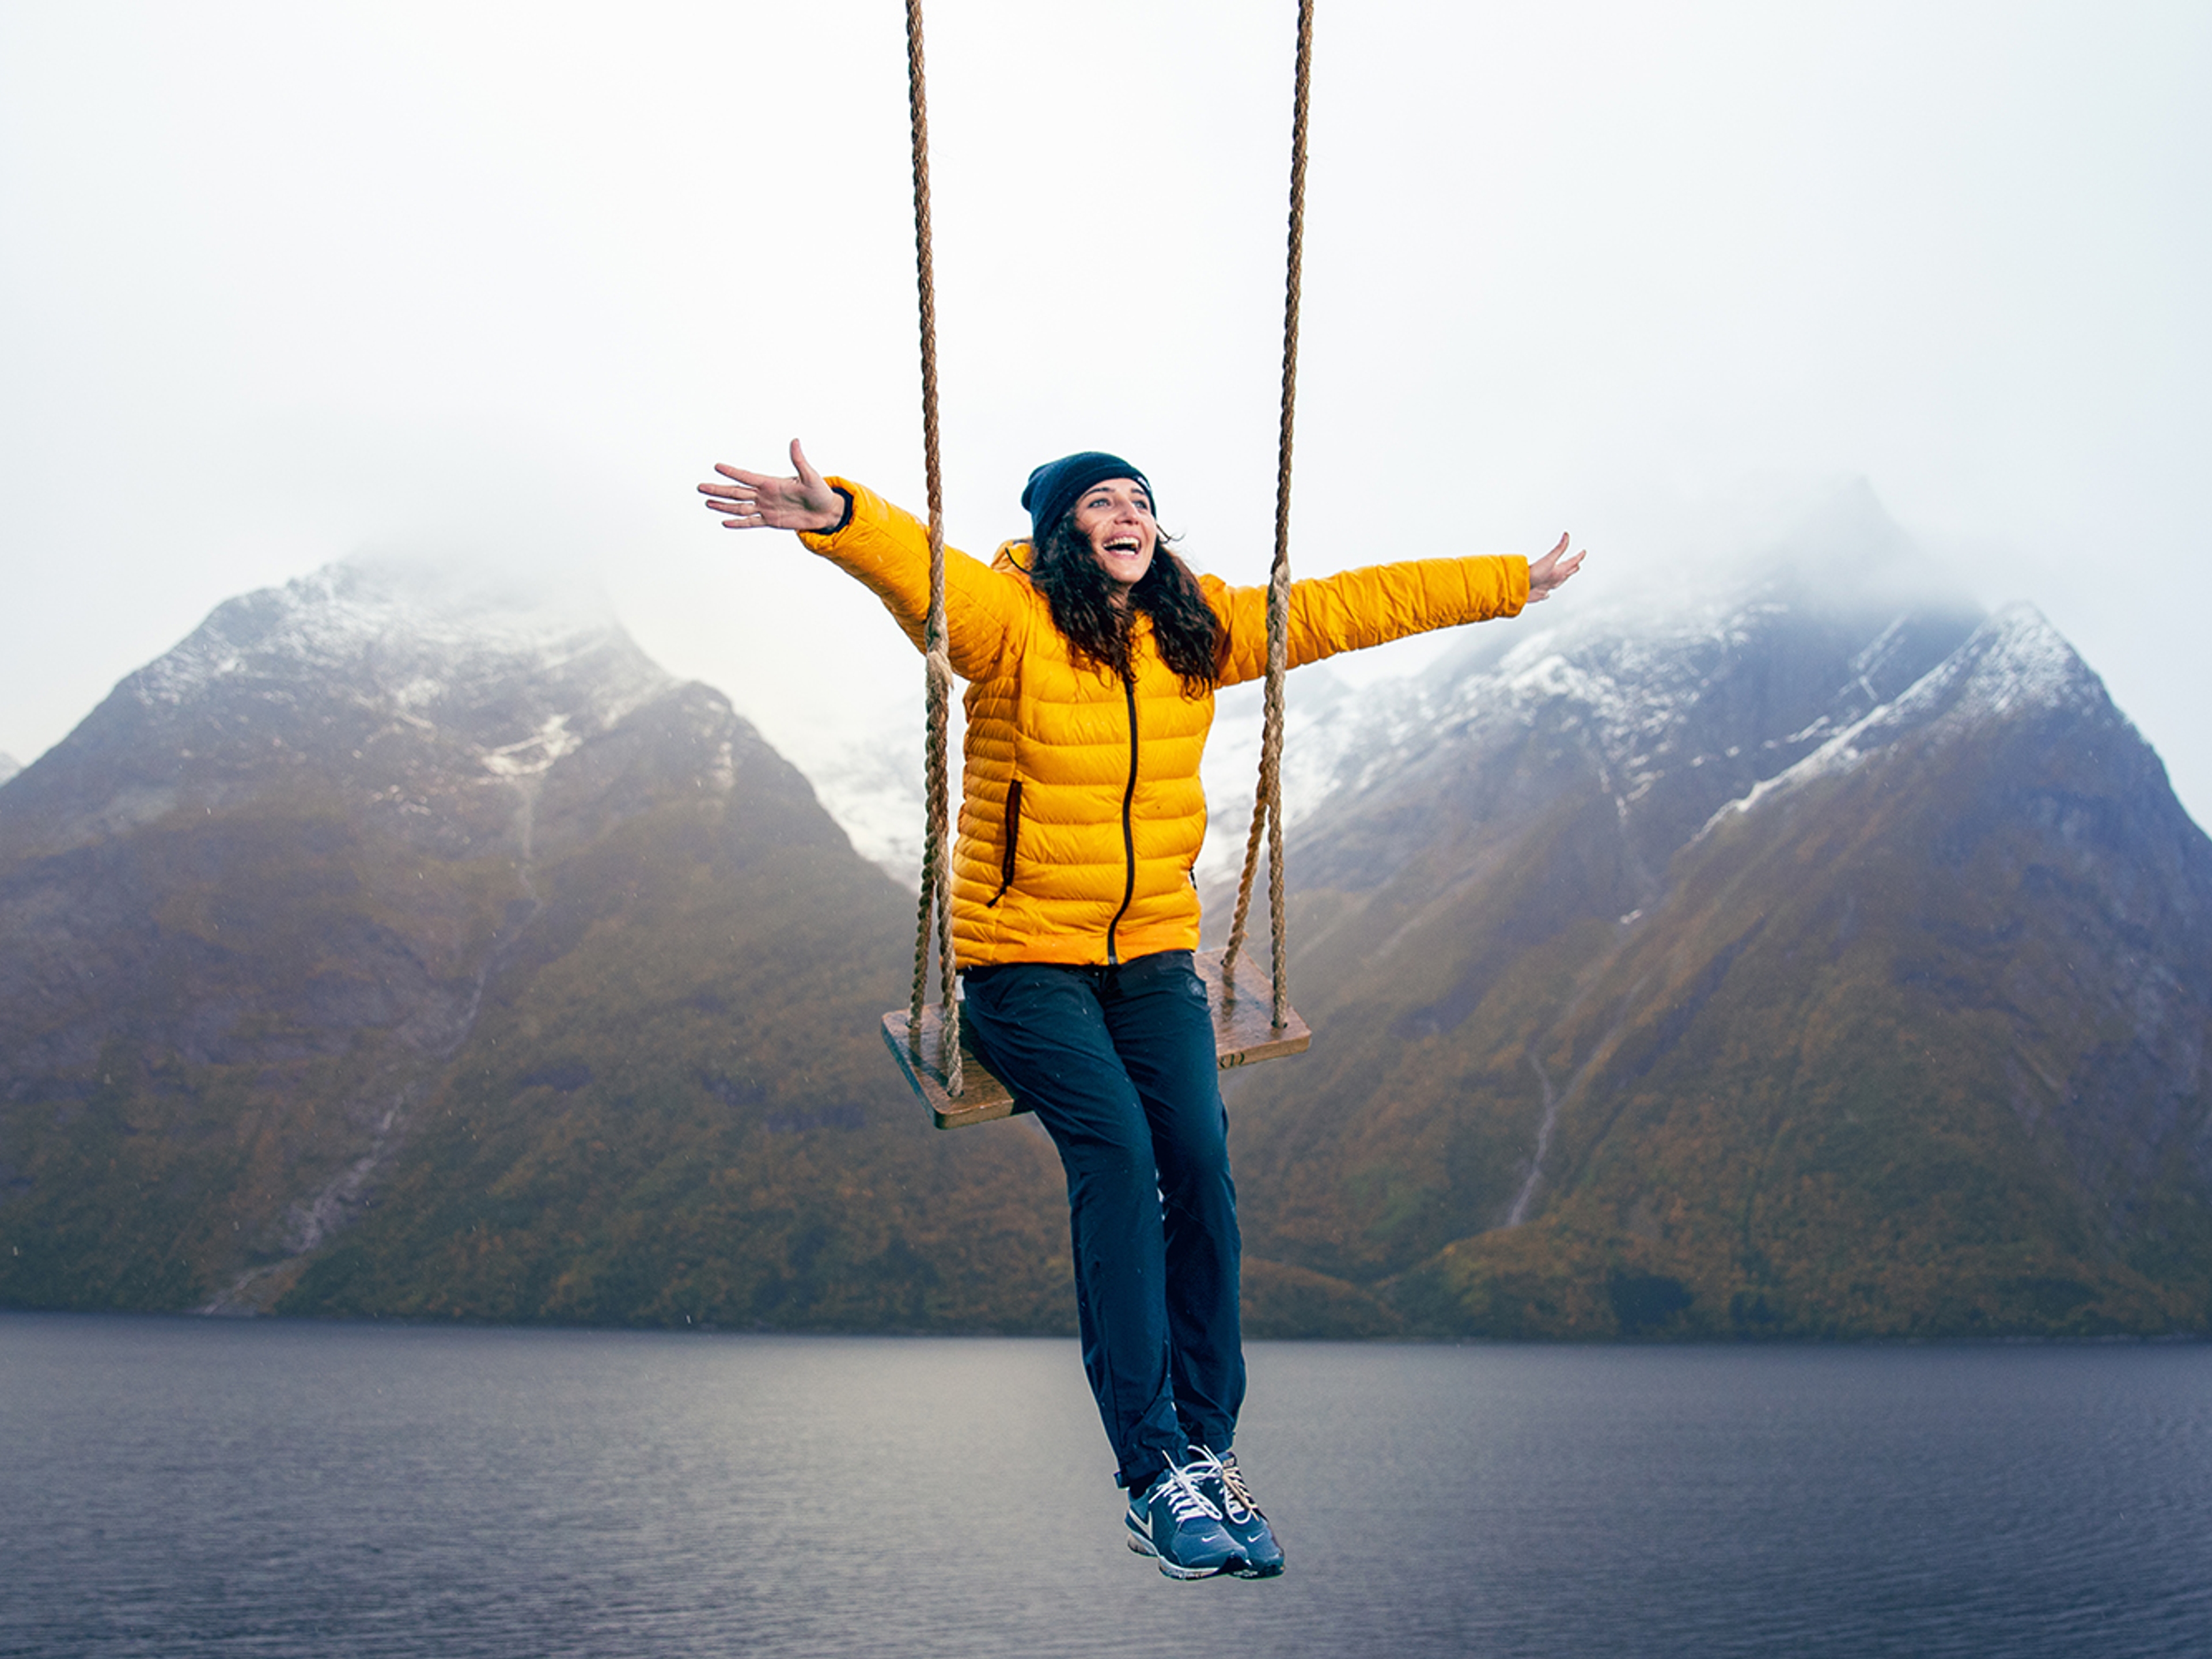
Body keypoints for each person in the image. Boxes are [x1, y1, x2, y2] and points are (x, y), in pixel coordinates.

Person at [699, 442, 1582, 1580]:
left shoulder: (1195, 633)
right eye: (1100, 503)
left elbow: (1347, 608)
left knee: (1202, 1164)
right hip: (1022, 965)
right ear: (1063, 531)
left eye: (1141, 503)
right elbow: (931, 578)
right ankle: (1151, 1471)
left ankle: (1207, 1449)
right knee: (1117, 1157)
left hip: (1154, 956)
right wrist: (842, 518)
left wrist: (1506, 580)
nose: (1128, 515)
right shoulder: (1009, 623)